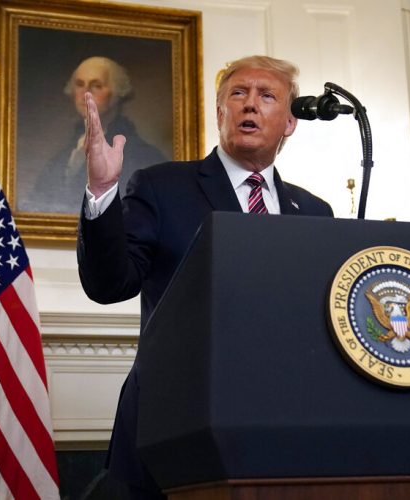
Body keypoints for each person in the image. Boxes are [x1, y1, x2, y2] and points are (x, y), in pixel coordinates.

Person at [77, 55, 334, 498]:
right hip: (175, 427)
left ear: (289, 122)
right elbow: (108, 285)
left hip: (281, 427)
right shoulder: (162, 186)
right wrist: (101, 193)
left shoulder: (313, 211)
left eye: (266, 96)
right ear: (220, 113)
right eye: (238, 94)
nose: (249, 105)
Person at [25, 56, 166, 213]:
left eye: (96, 86)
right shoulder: (63, 156)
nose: (85, 93)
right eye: (79, 84)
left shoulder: (141, 155)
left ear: (117, 93)